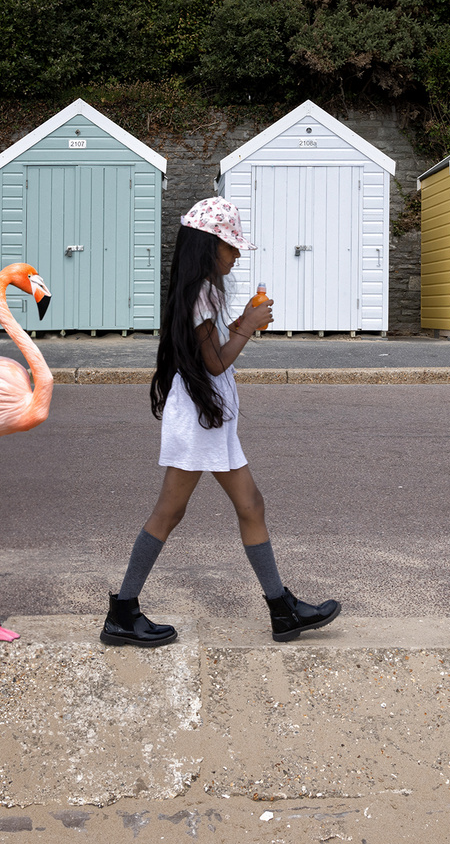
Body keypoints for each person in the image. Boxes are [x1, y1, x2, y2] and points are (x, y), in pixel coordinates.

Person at [99, 197, 341, 648]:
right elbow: (213, 363)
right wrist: (246, 326)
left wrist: (237, 322)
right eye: (230, 247)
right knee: (170, 513)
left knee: (251, 504)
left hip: (206, 415)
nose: (235, 255)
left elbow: (206, 350)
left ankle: (282, 610)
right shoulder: (200, 293)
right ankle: (123, 612)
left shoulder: (203, 293)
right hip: (198, 417)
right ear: (208, 247)